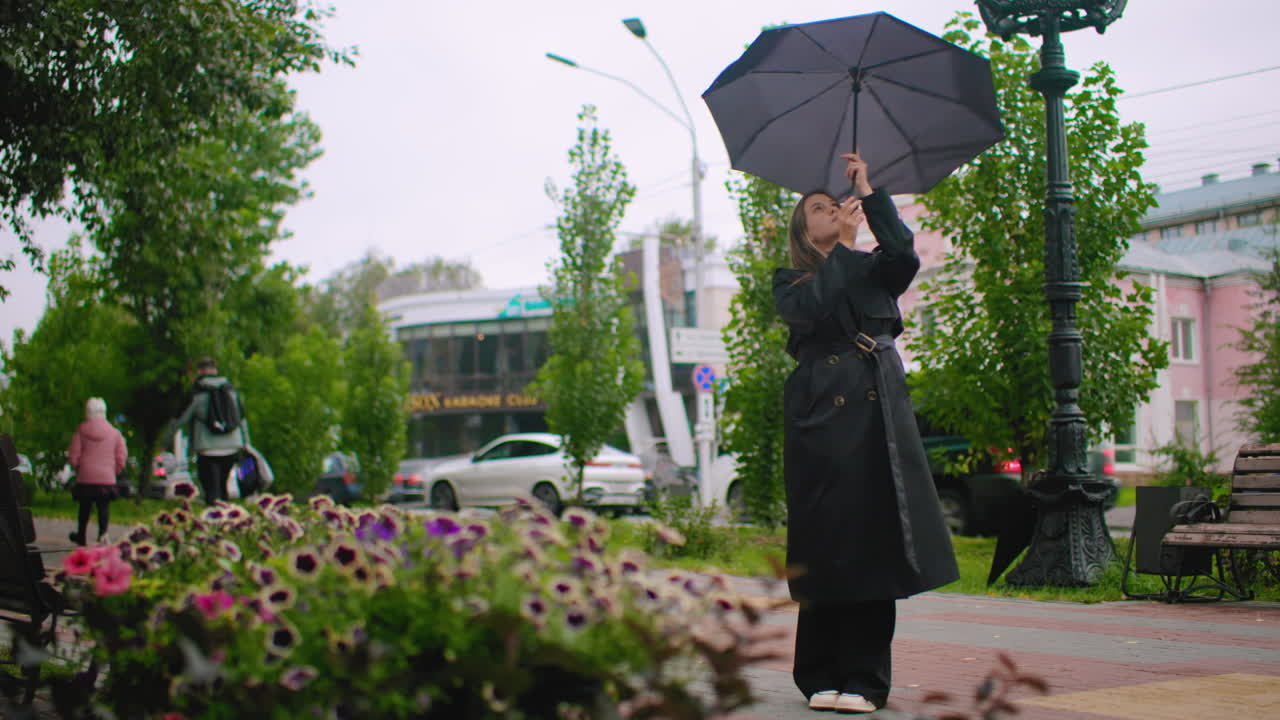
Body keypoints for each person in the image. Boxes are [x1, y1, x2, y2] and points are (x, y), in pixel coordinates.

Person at [774, 153, 958, 714]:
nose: (832, 211)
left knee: (873, 540)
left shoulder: (875, 265)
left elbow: (903, 253)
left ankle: (865, 679)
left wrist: (870, 192)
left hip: (877, 412)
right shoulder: (790, 279)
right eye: (819, 208)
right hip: (818, 419)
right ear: (804, 229)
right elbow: (811, 308)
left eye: (835, 204)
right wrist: (846, 250)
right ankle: (820, 674)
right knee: (825, 542)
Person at [173, 356, 250, 503]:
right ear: (215, 370)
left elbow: (181, 420)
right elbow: (242, 419)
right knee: (222, 486)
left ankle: (213, 517)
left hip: (206, 448)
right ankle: (225, 517)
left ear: (199, 371)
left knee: (211, 489)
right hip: (231, 446)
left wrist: (165, 440)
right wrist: (246, 443)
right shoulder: (231, 391)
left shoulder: (196, 393)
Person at [67, 397, 127, 545]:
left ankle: (81, 535)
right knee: (103, 508)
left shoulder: (81, 430)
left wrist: (78, 468)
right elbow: (121, 455)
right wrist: (115, 471)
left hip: (86, 477)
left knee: (84, 508)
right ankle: (102, 535)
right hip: (106, 478)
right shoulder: (114, 433)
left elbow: (74, 454)